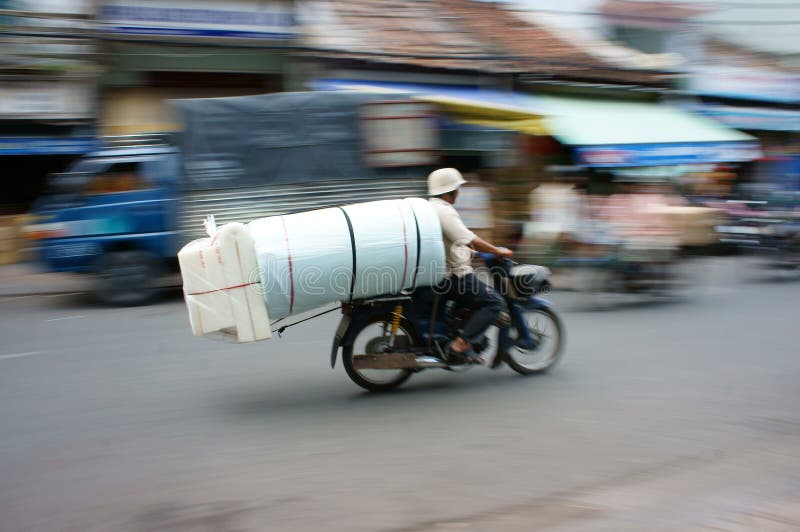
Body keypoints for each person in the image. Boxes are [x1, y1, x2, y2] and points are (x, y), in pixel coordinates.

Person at [428, 168, 512, 364]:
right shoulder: (444, 211)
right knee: (494, 303)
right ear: (451, 190)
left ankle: (464, 342)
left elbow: (452, 241)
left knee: (469, 304)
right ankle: (460, 345)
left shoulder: (431, 207)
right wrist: (497, 251)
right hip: (455, 276)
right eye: (458, 188)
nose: (459, 192)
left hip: (440, 274)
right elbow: (468, 238)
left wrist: (470, 252)